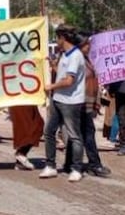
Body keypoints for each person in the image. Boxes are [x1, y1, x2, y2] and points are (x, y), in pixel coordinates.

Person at [39, 24, 85, 182]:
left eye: (57, 38)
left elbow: (69, 81)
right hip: (58, 99)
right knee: (49, 131)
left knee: (74, 135)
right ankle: (50, 165)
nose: (56, 41)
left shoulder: (75, 55)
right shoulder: (64, 54)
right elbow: (62, 75)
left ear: (62, 38)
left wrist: (51, 86)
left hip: (71, 101)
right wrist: (51, 66)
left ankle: (77, 168)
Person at [77, 33, 111, 177]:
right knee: (87, 135)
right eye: (86, 45)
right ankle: (94, 165)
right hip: (80, 104)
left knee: (83, 135)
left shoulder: (87, 60)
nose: (88, 48)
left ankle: (75, 164)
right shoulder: (76, 61)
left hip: (87, 103)